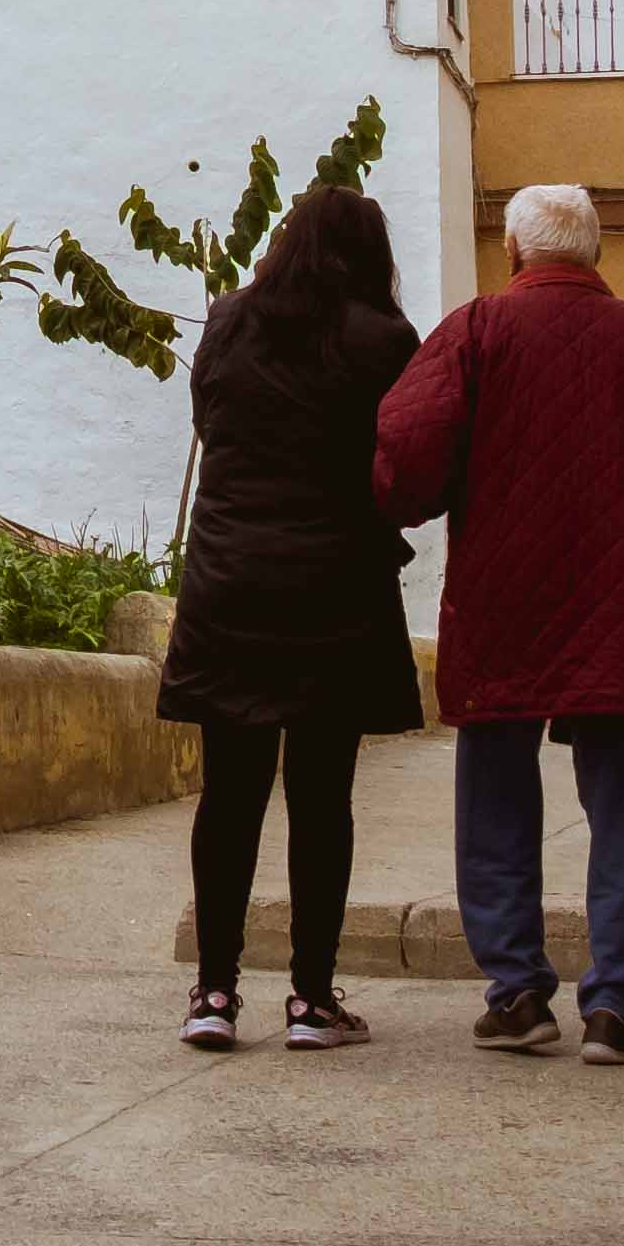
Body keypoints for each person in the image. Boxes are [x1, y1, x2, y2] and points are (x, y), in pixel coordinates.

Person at [371, 181, 624, 1067]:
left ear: (513, 255)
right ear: (594, 257)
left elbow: (407, 455)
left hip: (503, 607)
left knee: (496, 795)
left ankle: (516, 996)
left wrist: (407, 501)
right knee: (623, 801)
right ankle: (616, 1006)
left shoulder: (475, 332)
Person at [158, 183, 427, 1053]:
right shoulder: (385, 339)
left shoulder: (228, 322)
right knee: (323, 800)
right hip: (335, 592)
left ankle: (213, 993)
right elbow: (401, 455)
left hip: (230, 584)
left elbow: (212, 421)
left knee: (229, 796)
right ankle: (311, 1000)